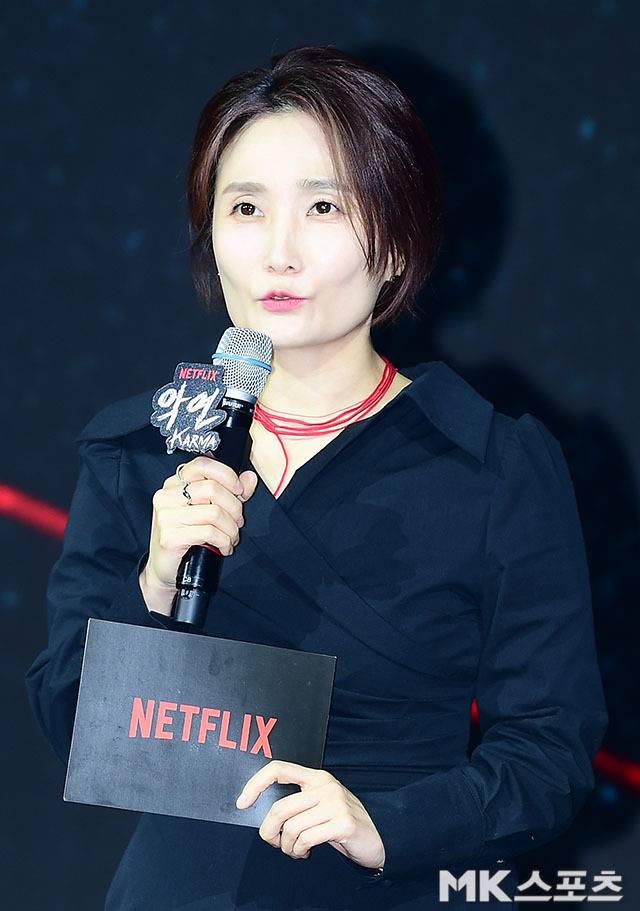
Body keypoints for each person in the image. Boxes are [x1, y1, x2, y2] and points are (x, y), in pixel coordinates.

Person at [25, 45, 609, 910]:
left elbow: (550, 749)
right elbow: (70, 721)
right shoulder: (141, 448)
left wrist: (388, 825)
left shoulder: (492, 467)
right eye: (246, 208)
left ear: (397, 241)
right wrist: (152, 585)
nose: (279, 252)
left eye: (324, 206)